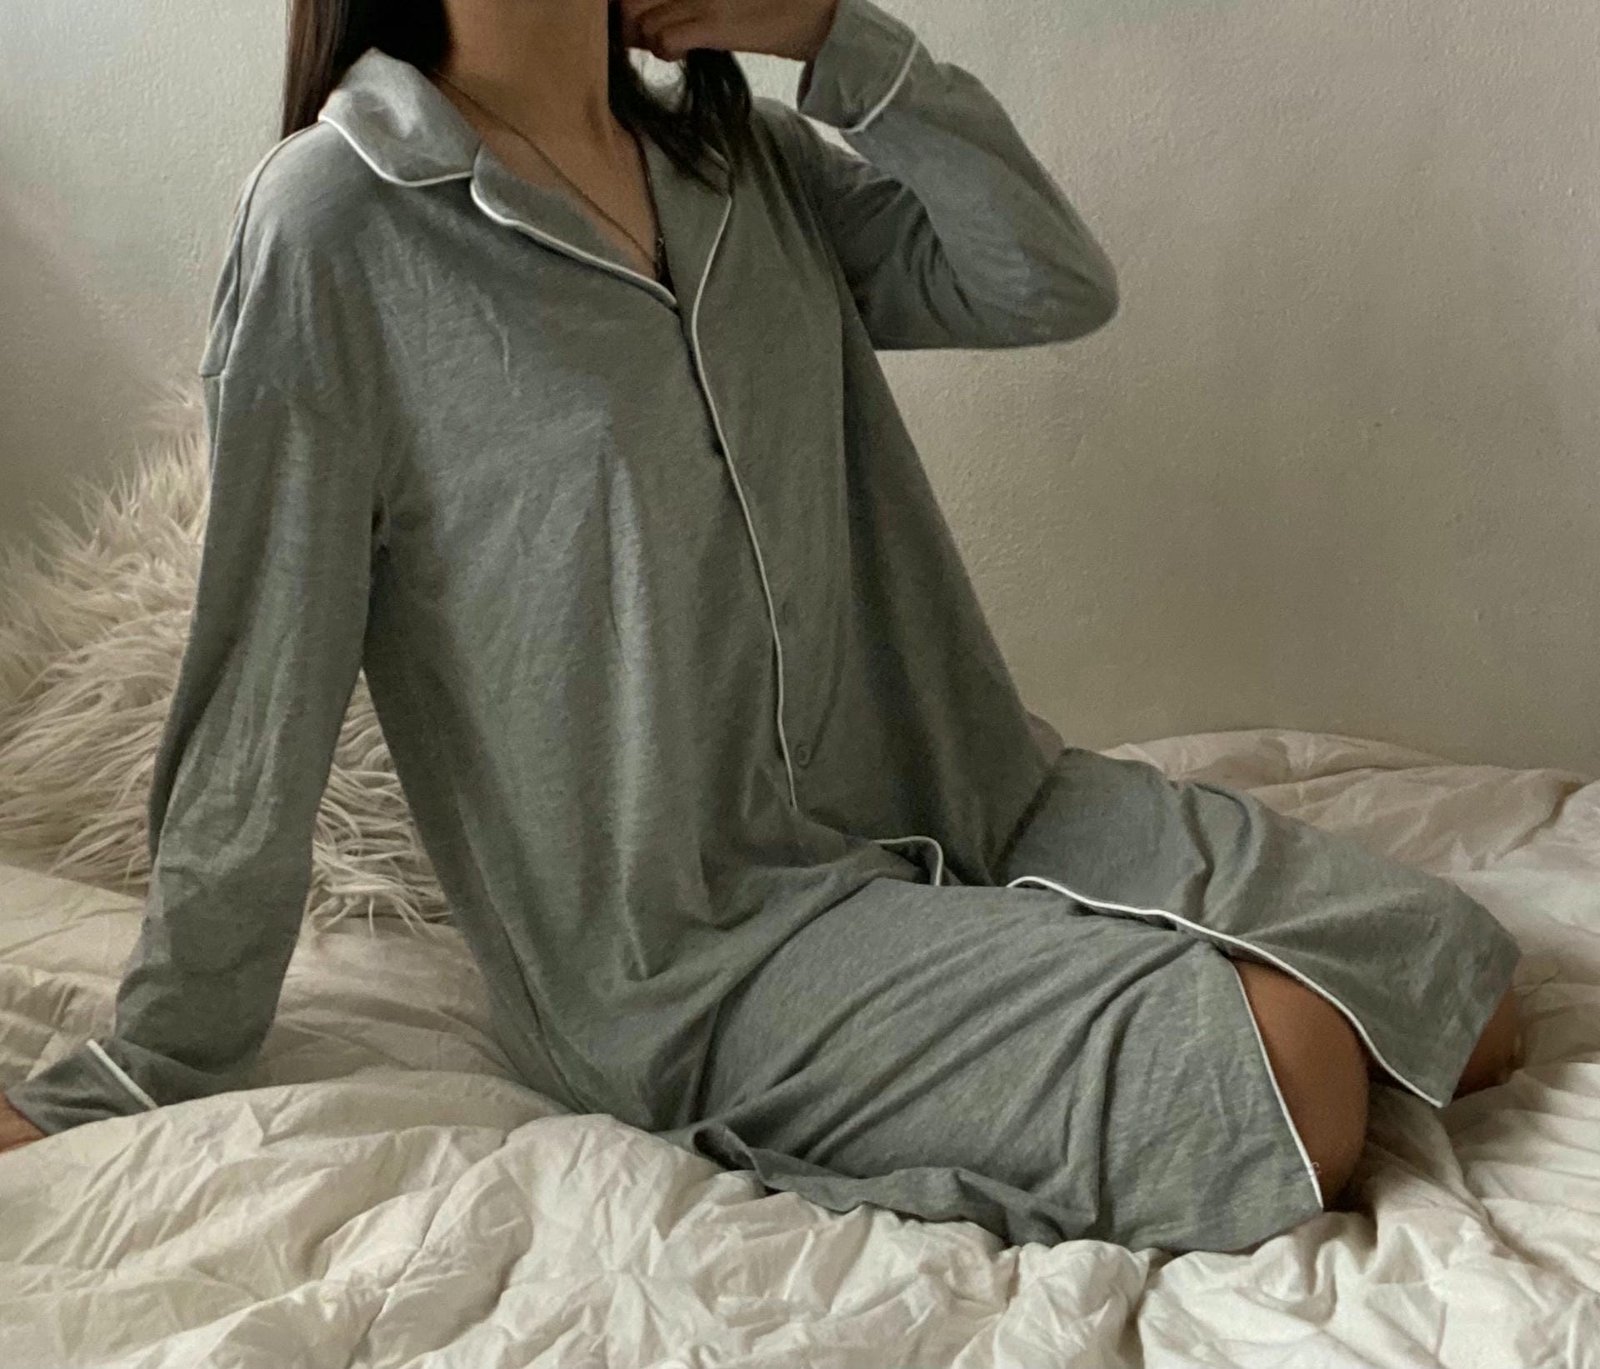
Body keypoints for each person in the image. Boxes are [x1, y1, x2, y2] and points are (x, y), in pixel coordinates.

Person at [0, 0, 1522, 1253]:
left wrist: (831, 33)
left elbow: (1047, 280)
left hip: (975, 800)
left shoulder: (740, 163)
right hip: (696, 956)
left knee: (1471, 997)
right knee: (1298, 1073)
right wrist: (149, 1060)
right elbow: (258, 692)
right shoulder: (338, 223)